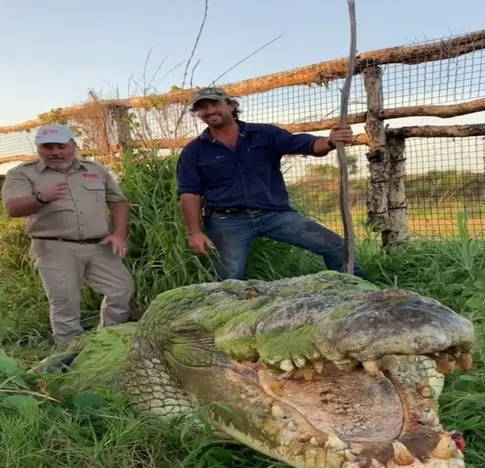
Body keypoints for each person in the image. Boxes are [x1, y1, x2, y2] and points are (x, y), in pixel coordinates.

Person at [175, 86, 364, 281]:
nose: (209, 111)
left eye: (214, 104)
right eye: (202, 107)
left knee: (336, 246)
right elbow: (189, 193)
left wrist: (331, 141)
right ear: (198, 114)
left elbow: (306, 144)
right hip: (227, 221)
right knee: (228, 279)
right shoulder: (194, 151)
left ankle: (359, 292)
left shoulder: (263, 134)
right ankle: (228, 308)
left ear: (231, 106)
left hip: (274, 214)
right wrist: (194, 232)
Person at [1, 124, 134, 346]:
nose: (55, 152)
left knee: (121, 289)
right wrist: (41, 198)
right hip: (54, 246)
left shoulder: (96, 170)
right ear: (38, 148)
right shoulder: (22, 173)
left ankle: (108, 341)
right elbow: (12, 209)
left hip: (99, 244)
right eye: (48, 147)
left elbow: (118, 202)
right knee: (65, 302)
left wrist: (119, 234)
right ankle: (70, 355)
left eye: (61, 146)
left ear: (74, 145)